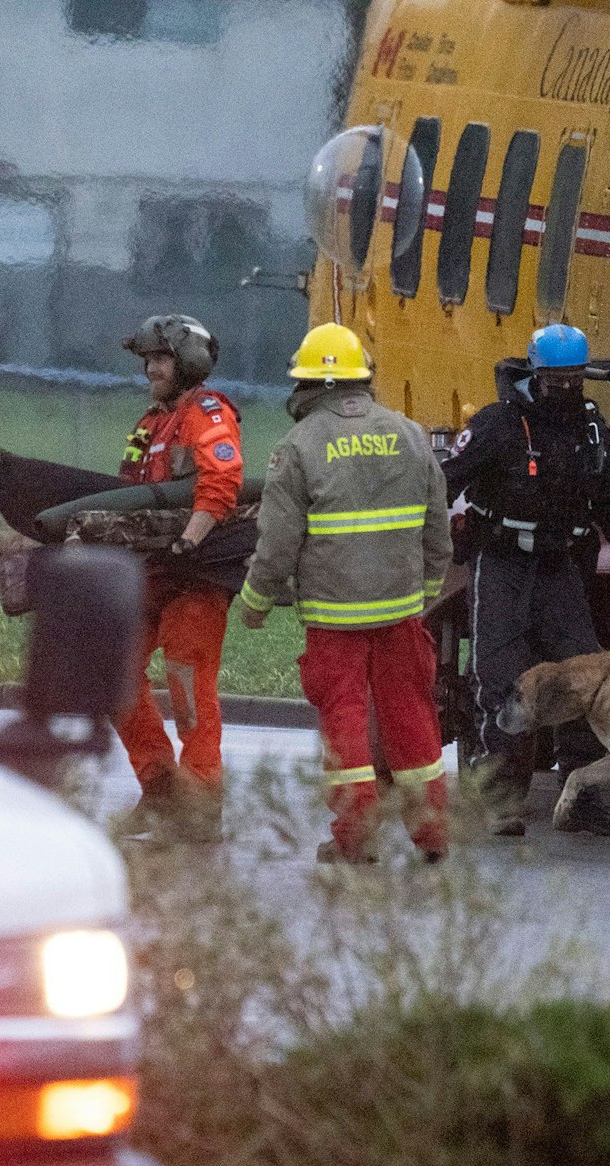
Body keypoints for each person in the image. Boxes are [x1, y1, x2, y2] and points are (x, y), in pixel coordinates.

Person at [442, 322, 610, 837]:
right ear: (535, 374)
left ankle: (581, 797)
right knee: (500, 677)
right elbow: (445, 481)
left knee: (584, 677)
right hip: (501, 562)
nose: (566, 389)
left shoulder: (590, 426)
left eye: (575, 379)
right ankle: (501, 800)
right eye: (556, 380)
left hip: (559, 566)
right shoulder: (498, 424)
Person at [239, 324, 452, 863]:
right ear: (362, 377)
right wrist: (422, 593)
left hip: (335, 619)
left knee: (346, 725)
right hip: (402, 614)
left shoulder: (300, 445)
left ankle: (356, 840)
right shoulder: (408, 433)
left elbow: (279, 540)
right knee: (412, 719)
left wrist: (255, 601)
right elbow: (437, 529)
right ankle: (432, 834)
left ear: (308, 384)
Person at [113, 313, 245, 839]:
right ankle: (162, 789)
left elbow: (222, 480)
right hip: (151, 572)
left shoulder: (207, 413)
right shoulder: (150, 423)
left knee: (187, 687)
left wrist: (189, 540)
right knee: (114, 675)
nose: (150, 368)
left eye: (160, 358)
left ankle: (200, 805)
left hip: (195, 575)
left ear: (188, 362)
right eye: (147, 359)